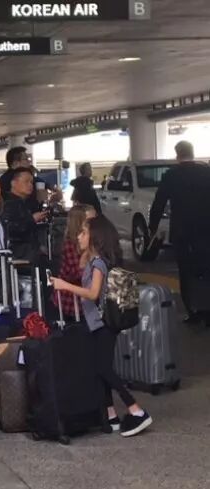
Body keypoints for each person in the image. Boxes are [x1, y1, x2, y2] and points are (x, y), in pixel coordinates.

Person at [51, 216, 153, 438]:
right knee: (99, 369)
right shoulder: (95, 261)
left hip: (103, 324)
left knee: (103, 369)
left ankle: (136, 410)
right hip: (97, 324)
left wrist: (64, 285)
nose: (79, 237)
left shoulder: (98, 264)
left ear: (95, 237)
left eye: (84, 233)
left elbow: (93, 293)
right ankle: (111, 415)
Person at [149, 141, 210, 327]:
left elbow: (159, 202)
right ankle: (208, 312)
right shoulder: (206, 172)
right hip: (206, 231)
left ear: (177, 155)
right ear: (193, 153)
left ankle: (193, 312)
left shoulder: (171, 175)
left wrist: (152, 227)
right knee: (206, 269)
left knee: (185, 272)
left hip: (182, 233)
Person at [50, 205, 96, 318]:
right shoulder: (70, 245)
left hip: (85, 300)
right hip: (71, 302)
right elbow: (77, 275)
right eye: (91, 220)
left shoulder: (93, 240)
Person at [1, 168, 49, 263]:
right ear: (13, 183)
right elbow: (10, 229)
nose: (30, 185)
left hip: (28, 252)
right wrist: (32, 219)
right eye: (26, 181)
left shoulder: (24, 203)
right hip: (18, 255)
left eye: (31, 182)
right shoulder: (9, 203)